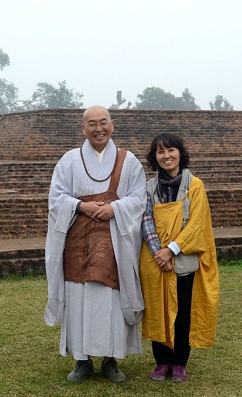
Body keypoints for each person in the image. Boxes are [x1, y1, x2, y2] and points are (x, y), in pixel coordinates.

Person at [44, 105, 146, 383]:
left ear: (112, 126)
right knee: (78, 297)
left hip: (114, 244)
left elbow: (139, 198)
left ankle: (111, 359)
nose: (98, 128)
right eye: (92, 124)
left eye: (103, 123)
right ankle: (82, 360)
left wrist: (115, 209)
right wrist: (81, 205)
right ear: (83, 128)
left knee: (110, 300)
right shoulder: (69, 160)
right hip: (77, 244)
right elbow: (56, 199)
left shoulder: (129, 161)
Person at [140, 132, 219, 383]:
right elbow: (145, 221)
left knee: (183, 313)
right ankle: (162, 361)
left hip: (183, 259)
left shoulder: (194, 185)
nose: (166, 156)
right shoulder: (149, 188)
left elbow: (197, 224)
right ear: (155, 157)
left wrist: (172, 249)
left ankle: (180, 362)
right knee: (157, 310)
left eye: (171, 150)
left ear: (180, 153)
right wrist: (158, 252)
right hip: (156, 261)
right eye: (160, 152)